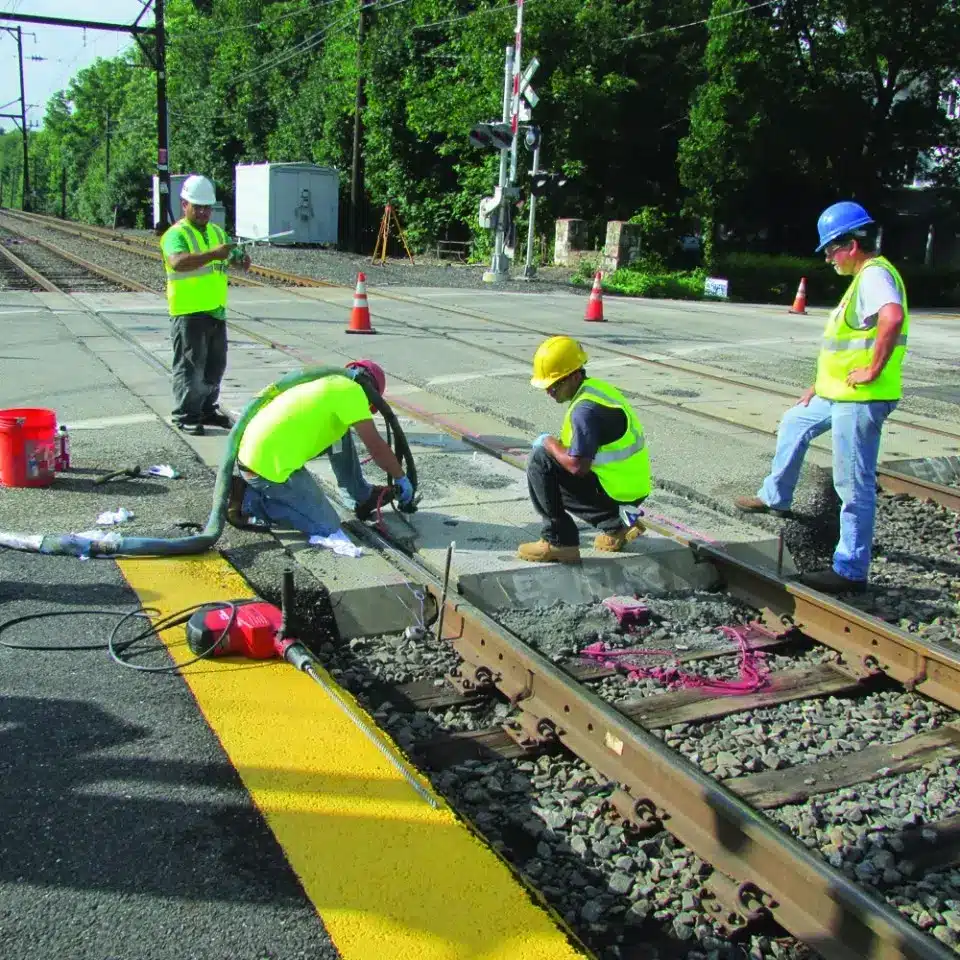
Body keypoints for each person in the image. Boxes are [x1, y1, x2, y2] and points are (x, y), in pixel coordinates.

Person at [734, 201, 909, 594]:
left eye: (831, 249)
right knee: (795, 422)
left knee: (852, 481)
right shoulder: (863, 278)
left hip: (862, 396)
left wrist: (872, 371)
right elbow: (844, 345)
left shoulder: (875, 276)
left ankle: (849, 569)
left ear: (851, 244)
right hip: (838, 392)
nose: (828, 257)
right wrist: (820, 384)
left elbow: (892, 318)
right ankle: (774, 496)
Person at [227, 360, 415, 542]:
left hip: (261, 453)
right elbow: (376, 447)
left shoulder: (330, 383)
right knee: (327, 526)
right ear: (373, 394)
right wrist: (400, 477)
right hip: (264, 469)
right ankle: (250, 502)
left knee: (341, 432)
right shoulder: (354, 394)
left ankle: (359, 495)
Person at [518, 336, 652, 563]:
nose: (549, 391)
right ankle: (617, 524)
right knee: (554, 459)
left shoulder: (585, 410)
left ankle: (559, 541)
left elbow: (577, 467)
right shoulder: (597, 389)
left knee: (541, 461)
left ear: (575, 375)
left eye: (554, 384)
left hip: (615, 492)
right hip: (630, 490)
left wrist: (548, 442)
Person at [160, 174, 250, 436]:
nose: (202, 212)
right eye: (197, 206)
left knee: (214, 365)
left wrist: (240, 260)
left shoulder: (216, 233)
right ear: (184, 204)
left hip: (215, 310)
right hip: (188, 312)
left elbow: (232, 257)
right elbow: (178, 262)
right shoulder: (175, 235)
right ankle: (186, 414)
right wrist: (214, 254)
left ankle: (207, 409)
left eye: (207, 207)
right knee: (190, 367)